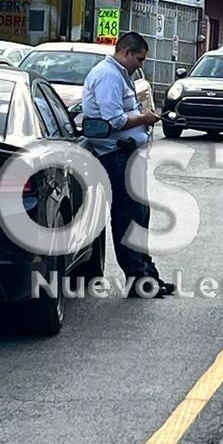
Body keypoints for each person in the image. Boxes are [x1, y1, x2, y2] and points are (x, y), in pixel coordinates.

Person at [82, 31, 175, 298]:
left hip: (129, 153)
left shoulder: (121, 74)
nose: (141, 64)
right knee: (127, 216)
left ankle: (147, 274)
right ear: (126, 52)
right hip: (116, 153)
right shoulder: (109, 76)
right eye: (139, 58)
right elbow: (115, 120)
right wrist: (145, 118)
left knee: (140, 214)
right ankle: (138, 278)